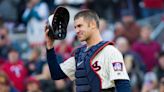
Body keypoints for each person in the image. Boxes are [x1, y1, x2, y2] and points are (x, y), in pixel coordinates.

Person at [45, 9, 131, 92]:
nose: (76, 31)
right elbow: (56, 73)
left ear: (93, 24)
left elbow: (123, 84)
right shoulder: (80, 55)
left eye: (79, 26)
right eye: (75, 27)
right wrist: (49, 46)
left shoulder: (110, 51)